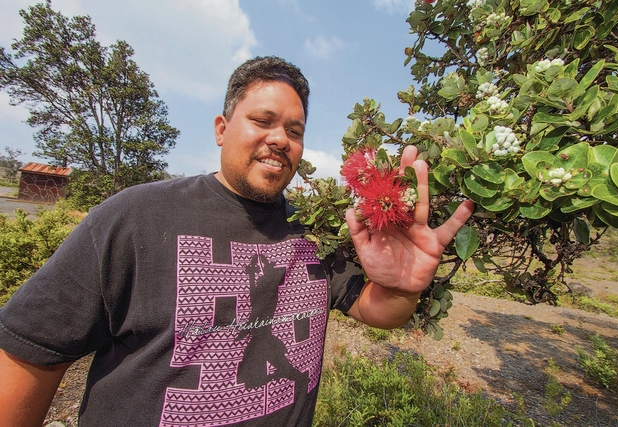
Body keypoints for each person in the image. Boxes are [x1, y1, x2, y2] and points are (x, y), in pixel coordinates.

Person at [0, 56, 474, 427]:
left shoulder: (313, 229)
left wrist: (401, 288)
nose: (280, 139)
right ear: (222, 129)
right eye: (262, 120)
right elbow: (29, 353)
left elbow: (378, 311)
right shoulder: (134, 216)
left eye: (294, 130)